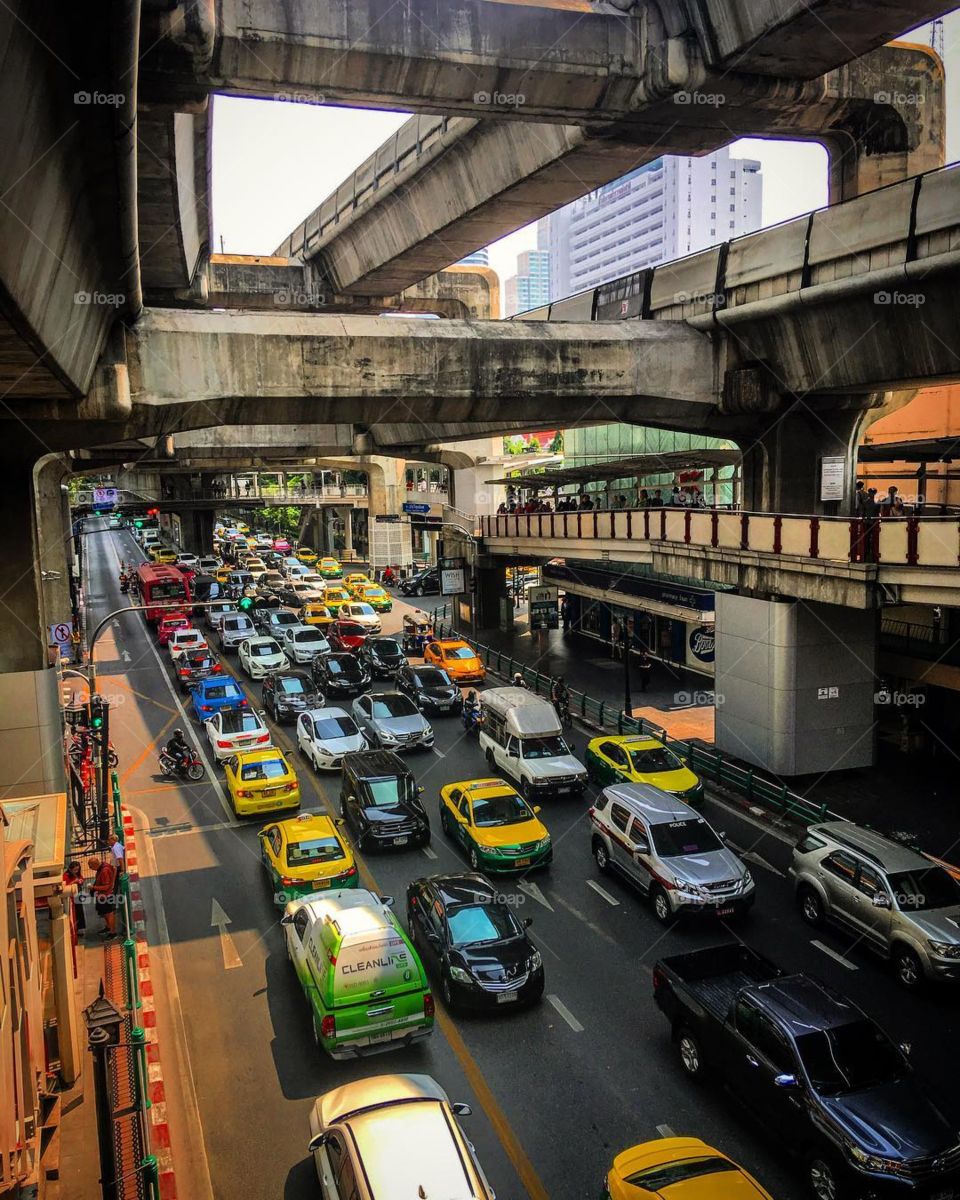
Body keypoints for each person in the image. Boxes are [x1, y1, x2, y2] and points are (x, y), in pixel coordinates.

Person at [88, 856, 117, 937]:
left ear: (95, 864)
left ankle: (113, 932)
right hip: (102, 895)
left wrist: (93, 887)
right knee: (105, 913)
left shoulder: (104, 871)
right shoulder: (104, 866)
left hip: (106, 895)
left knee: (109, 913)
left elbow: (106, 886)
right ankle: (108, 927)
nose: (90, 868)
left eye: (90, 866)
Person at [62, 861, 86, 935]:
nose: (76, 871)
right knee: (72, 912)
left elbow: (81, 878)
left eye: (77, 869)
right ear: (70, 869)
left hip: (77, 894)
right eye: (74, 870)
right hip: (70, 896)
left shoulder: (77, 874)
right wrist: (74, 882)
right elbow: (64, 886)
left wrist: (81, 881)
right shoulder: (65, 875)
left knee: (79, 911)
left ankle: (80, 928)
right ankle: (73, 928)